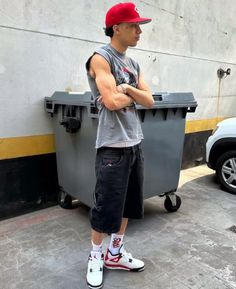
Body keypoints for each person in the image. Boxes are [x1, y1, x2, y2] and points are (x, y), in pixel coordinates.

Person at [85, 2, 153, 288]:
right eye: (134, 26)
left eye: (139, 26)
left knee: (128, 203)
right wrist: (131, 94)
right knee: (105, 208)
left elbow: (150, 100)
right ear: (117, 28)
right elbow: (111, 103)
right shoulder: (100, 58)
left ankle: (114, 253)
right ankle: (96, 256)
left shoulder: (133, 64)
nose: (139, 31)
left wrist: (126, 88)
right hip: (112, 147)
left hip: (134, 143)